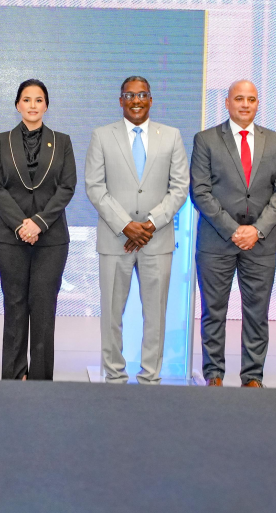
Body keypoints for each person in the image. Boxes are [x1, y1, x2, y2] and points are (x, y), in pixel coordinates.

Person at [86, 76, 189, 385]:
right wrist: (126, 225)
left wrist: (150, 224)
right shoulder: (102, 136)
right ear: (120, 100)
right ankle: (114, 377)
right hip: (115, 239)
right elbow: (95, 187)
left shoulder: (171, 136)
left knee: (155, 315)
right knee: (111, 314)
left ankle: (150, 378)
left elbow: (180, 187)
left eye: (142, 94)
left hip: (157, 240)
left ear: (151, 99)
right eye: (129, 95)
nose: (136, 100)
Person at [190, 79, 276, 388]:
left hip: (260, 244)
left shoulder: (275, 141)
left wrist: (257, 230)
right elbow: (200, 191)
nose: (245, 104)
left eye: (251, 99)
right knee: (213, 312)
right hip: (216, 241)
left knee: (257, 314)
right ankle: (214, 375)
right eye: (239, 99)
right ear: (227, 103)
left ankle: (252, 377)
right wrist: (234, 230)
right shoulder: (206, 139)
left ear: (257, 103)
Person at [0, 79, 77, 380]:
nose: (33, 105)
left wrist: (38, 222)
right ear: (17, 105)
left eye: (39, 100)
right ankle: (14, 377)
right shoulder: (1, 141)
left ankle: (40, 379)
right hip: (9, 238)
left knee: (43, 309)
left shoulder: (62, 141)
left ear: (46, 105)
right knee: (14, 307)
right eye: (27, 99)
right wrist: (20, 224)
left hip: (51, 239)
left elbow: (67, 187)